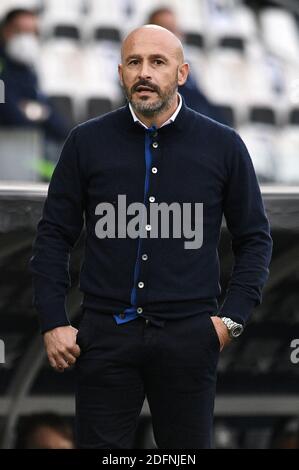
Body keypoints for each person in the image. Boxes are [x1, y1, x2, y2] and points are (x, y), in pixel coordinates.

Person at [30, 25, 272, 449]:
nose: (145, 72)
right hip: (105, 335)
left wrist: (229, 321)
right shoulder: (85, 142)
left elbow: (255, 238)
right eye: (134, 62)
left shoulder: (224, 146)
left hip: (190, 337)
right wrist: (53, 320)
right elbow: (52, 237)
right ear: (120, 71)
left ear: (182, 73)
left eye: (158, 62)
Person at [147, 7, 228, 124]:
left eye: (175, 29)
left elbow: (202, 104)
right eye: (166, 29)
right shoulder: (146, 73)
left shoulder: (184, 68)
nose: (174, 34)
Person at [0, 9, 69, 143]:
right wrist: (40, 114)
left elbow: (60, 126)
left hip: (28, 150)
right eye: (21, 31)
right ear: (5, 32)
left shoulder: (30, 72)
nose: (27, 38)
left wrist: (38, 112)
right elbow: (11, 118)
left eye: (33, 33)